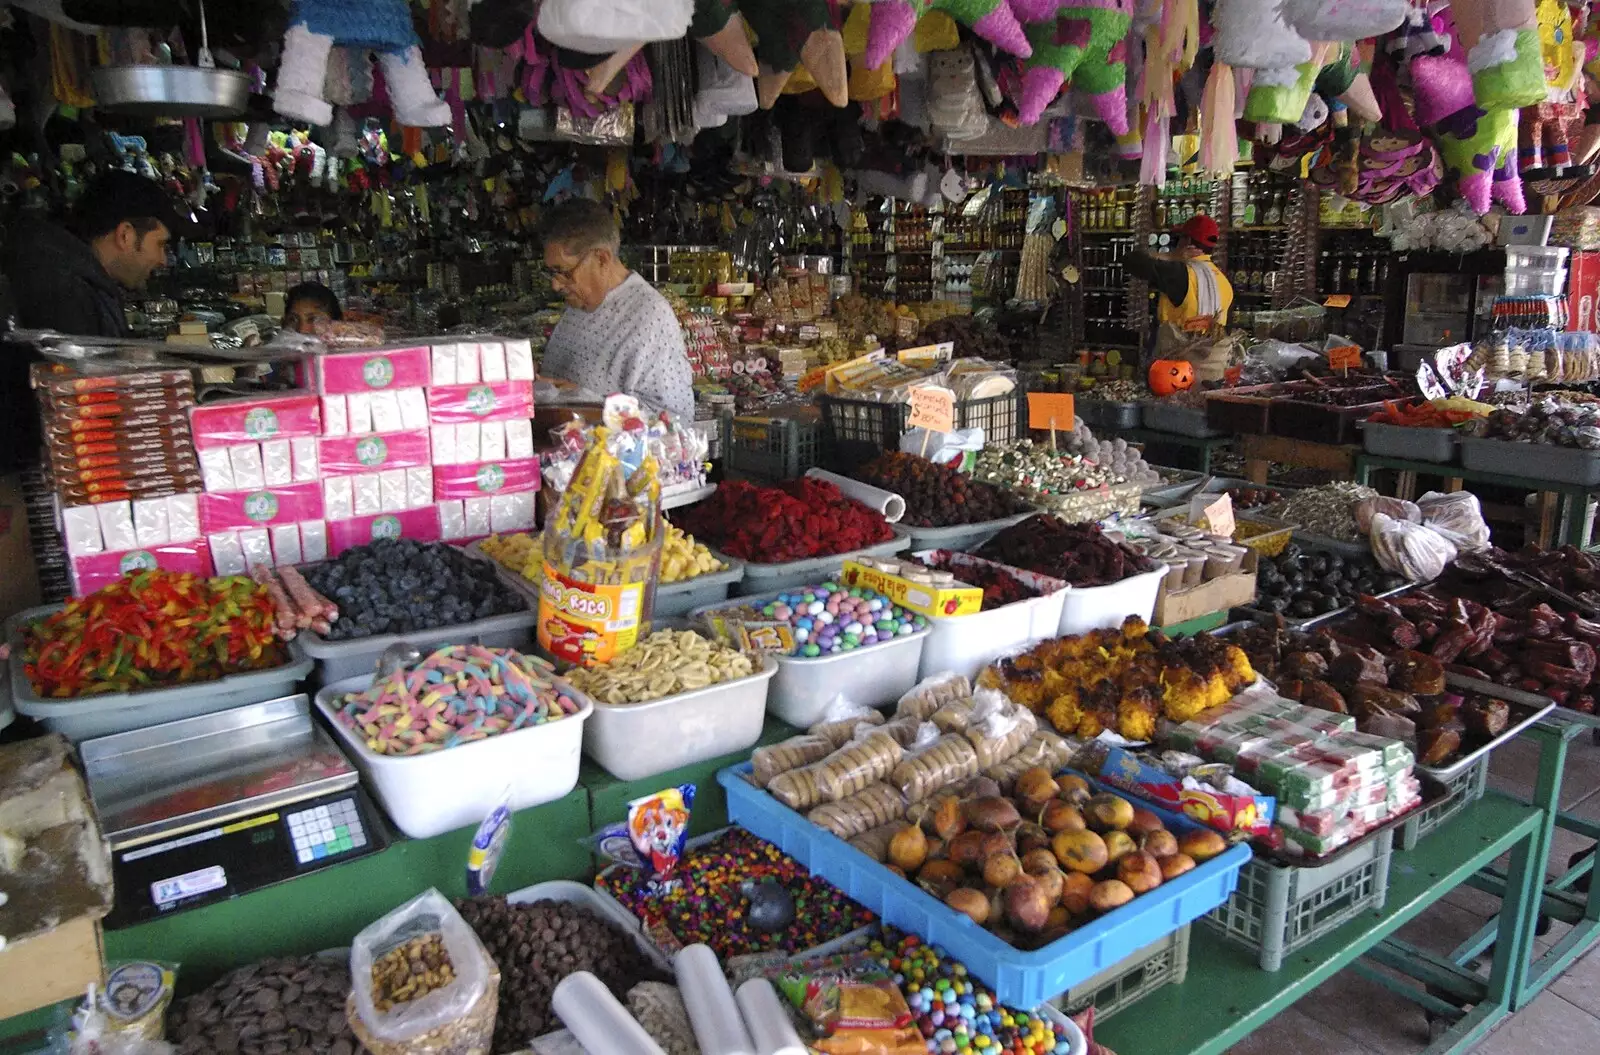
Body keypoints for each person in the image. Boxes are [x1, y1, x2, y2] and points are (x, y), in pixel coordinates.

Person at [538, 199, 695, 422]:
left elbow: (675, 421)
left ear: (601, 258)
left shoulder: (649, 315)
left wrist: (590, 405)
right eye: (551, 273)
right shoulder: (578, 305)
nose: (555, 284)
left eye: (563, 272)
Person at [3, 169, 185, 338]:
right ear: (125, 235)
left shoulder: (74, 276)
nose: (163, 260)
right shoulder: (63, 291)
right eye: (160, 244)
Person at [1123, 214, 1234, 339]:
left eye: (1179, 238)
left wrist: (1172, 256)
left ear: (1187, 241)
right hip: (1211, 355)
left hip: (1177, 354)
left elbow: (1130, 260)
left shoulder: (1180, 273)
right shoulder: (1224, 283)